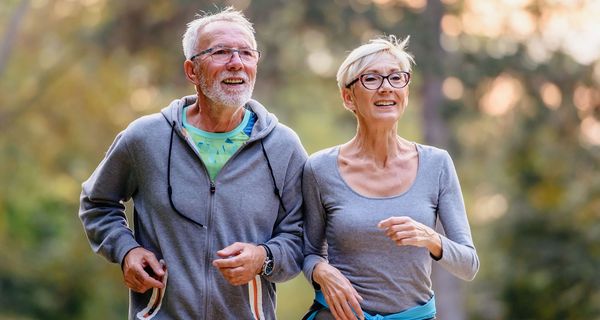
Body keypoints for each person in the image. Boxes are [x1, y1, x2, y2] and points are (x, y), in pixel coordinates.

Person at [79, 7, 307, 319]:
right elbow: (97, 202)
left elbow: (302, 235)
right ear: (192, 70)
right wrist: (127, 250)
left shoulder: (283, 147)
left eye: (246, 53)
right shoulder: (146, 138)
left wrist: (264, 257)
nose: (236, 63)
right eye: (221, 52)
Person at [301, 35, 480, 320]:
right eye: (371, 79)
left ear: (406, 92)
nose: (386, 88)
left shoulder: (437, 164)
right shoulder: (319, 168)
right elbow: (308, 252)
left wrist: (430, 238)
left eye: (396, 78)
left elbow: (469, 264)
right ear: (348, 97)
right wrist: (321, 271)